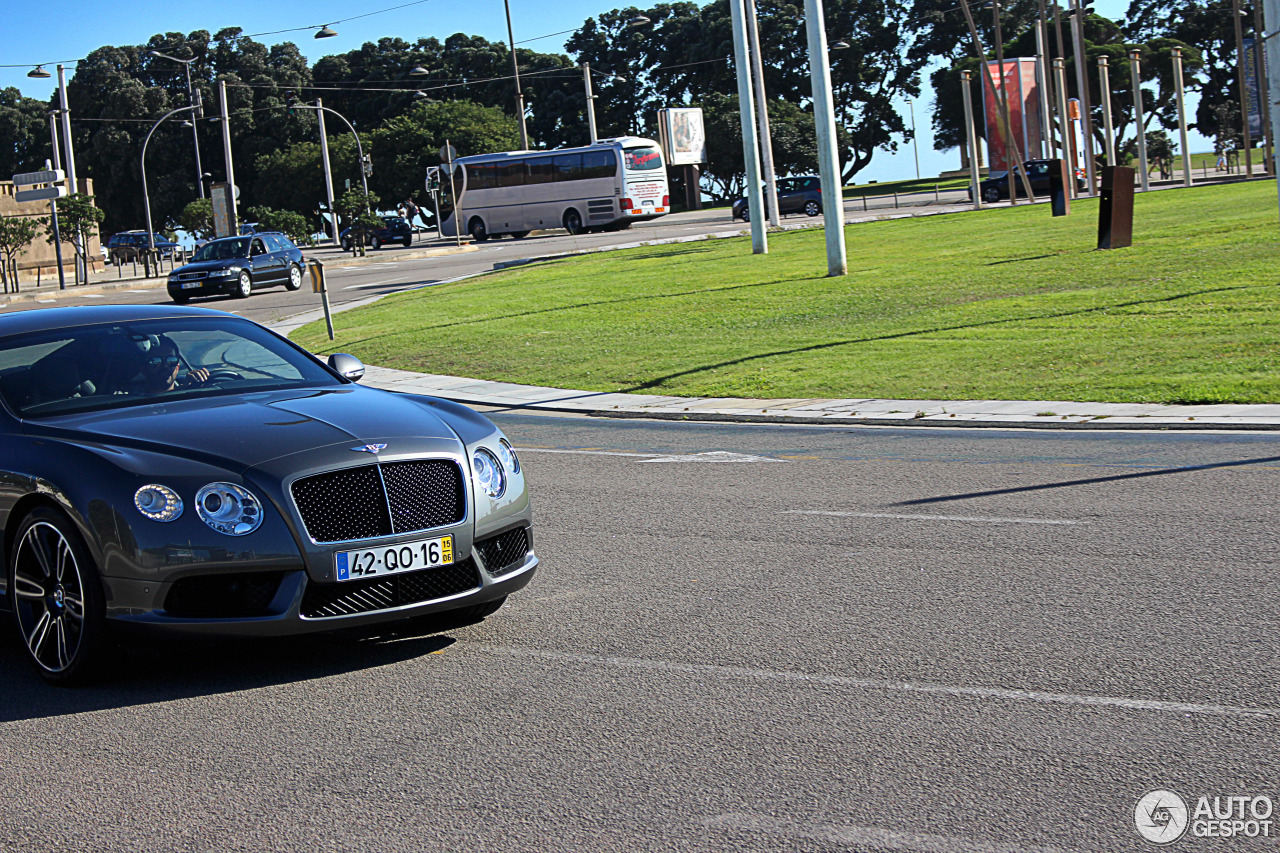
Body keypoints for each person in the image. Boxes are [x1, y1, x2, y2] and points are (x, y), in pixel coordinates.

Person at [127, 335, 209, 395]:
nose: (165, 366)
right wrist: (181, 390)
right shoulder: (131, 401)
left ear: (177, 367)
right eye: (156, 361)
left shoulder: (189, 387)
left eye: (171, 360)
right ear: (143, 368)